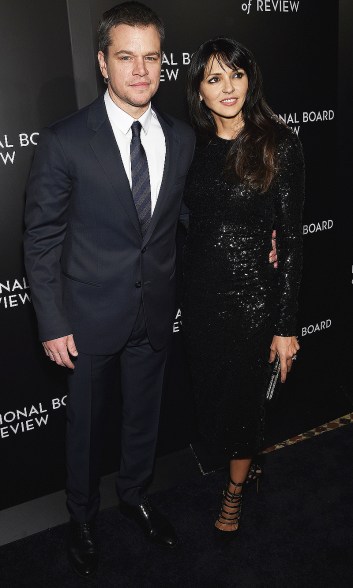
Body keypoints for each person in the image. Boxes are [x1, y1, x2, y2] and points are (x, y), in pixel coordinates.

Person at [24, 1, 196, 577]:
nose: (141, 71)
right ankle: (83, 518)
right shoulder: (65, 141)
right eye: (127, 57)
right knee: (86, 431)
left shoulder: (181, 136)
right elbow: (42, 238)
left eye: (151, 58)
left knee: (143, 417)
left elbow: (185, 218)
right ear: (103, 62)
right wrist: (51, 320)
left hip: (154, 311)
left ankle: (136, 495)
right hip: (88, 315)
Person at [183, 37, 304, 537]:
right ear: (201, 93)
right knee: (217, 402)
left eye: (235, 74)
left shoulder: (280, 143)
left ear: (249, 79)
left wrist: (285, 327)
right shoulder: (195, 147)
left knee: (243, 406)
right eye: (214, 78)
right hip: (202, 302)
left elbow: (293, 242)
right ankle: (246, 465)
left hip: (255, 302)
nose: (228, 87)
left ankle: (233, 494)